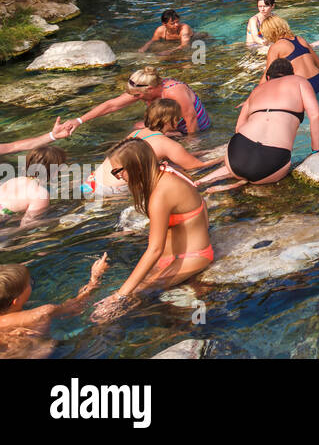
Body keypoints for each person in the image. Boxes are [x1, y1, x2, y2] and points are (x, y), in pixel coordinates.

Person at [90, 138, 213, 322]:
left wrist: (119, 297)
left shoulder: (160, 195)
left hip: (190, 258)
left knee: (103, 315)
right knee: (117, 293)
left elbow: (154, 249)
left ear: (136, 166)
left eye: (118, 171)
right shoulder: (168, 172)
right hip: (175, 256)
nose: (118, 177)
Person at [198, 58, 319, 192]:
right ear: (291, 74)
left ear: (268, 77)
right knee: (258, 172)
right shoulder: (299, 81)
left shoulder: (257, 90)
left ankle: (207, 180)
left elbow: (239, 127)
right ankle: (244, 183)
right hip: (272, 160)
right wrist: (316, 150)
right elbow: (316, 116)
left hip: (237, 153)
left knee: (243, 165)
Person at [80, 100, 223, 201]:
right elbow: (196, 166)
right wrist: (223, 158)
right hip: (113, 190)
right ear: (169, 121)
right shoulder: (166, 144)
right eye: (178, 118)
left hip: (92, 180)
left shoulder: (136, 134)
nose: (180, 121)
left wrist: (204, 152)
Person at [53, 66, 212, 137]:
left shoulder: (173, 91)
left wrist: (192, 143)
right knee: (137, 128)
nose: (135, 98)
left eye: (137, 96)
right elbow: (112, 104)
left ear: (149, 89)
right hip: (172, 125)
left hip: (196, 128)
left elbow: (191, 118)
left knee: (141, 134)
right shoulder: (141, 90)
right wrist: (79, 120)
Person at [0, 255, 109, 351]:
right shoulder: (41, 313)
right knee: (104, 324)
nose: (31, 283)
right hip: (50, 353)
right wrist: (95, 277)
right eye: (29, 283)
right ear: (16, 301)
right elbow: (77, 305)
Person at [0, 146, 66, 228]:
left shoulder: (13, 180)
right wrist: (59, 220)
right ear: (56, 171)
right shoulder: (40, 194)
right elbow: (26, 225)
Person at [261, 14, 319, 94]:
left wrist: (253, 96)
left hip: (303, 87)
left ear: (269, 32)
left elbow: (267, 77)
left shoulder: (276, 47)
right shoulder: (300, 39)